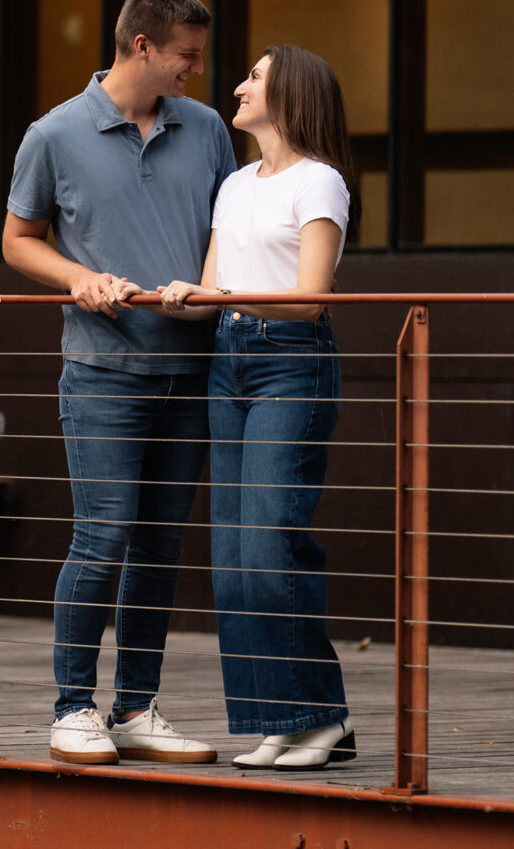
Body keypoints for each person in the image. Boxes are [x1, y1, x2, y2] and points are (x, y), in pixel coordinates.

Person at [2, 0, 239, 766]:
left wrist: (204, 291)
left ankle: (136, 706)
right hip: (102, 371)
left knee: (160, 545)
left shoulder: (205, 129)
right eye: (187, 56)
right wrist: (76, 277)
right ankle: (73, 708)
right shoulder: (53, 133)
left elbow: (223, 233)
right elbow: (17, 240)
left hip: (190, 369)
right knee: (102, 538)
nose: (197, 71)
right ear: (143, 46)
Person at [161, 44, 358, 770]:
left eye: (254, 78)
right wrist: (178, 294)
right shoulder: (236, 185)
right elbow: (215, 287)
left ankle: (314, 717)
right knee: (237, 556)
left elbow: (309, 297)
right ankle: (288, 716)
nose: (237, 87)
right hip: (229, 361)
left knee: (273, 542)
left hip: (290, 362)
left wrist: (217, 296)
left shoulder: (322, 182)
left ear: (291, 95)